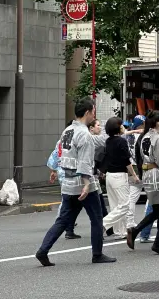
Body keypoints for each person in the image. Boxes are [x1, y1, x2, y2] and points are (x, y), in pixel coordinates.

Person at [36, 98, 116, 266]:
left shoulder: (67, 131)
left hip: (68, 182)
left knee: (63, 220)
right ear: (87, 112)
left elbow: (63, 155)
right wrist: (87, 184)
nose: (94, 115)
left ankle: (43, 250)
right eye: (93, 111)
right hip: (82, 183)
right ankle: (97, 254)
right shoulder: (84, 134)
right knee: (96, 218)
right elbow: (85, 162)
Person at [126, 111, 159, 249]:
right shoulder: (158, 138)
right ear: (158, 123)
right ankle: (148, 235)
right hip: (157, 174)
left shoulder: (145, 136)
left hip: (147, 173)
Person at [102, 117, 141, 238]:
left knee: (115, 204)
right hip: (119, 176)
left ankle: (120, 231)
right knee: (124, 204)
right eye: (121, 125)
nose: (124, 126)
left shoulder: (108, 141)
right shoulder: (121, 141)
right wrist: (134, 175)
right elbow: (126, 161)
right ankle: (103, 224)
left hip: (109, 176)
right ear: (118, 127)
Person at [46, 127, 81, 240]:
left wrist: (53, 170)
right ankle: (62, 219)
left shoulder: (62, 140)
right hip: (68, 170)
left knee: (66, 196)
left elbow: (55, 155)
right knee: (67, 198)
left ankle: (66, 220)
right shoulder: (74, 139)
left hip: (61, 169)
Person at [125, 115, 145, 228]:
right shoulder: (141, 136)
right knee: (133, 196)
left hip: (128, 168)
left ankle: (129, 220)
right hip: (138, 168)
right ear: (141, 124)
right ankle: (130, 221)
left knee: (130, 196)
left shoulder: (128, 136)